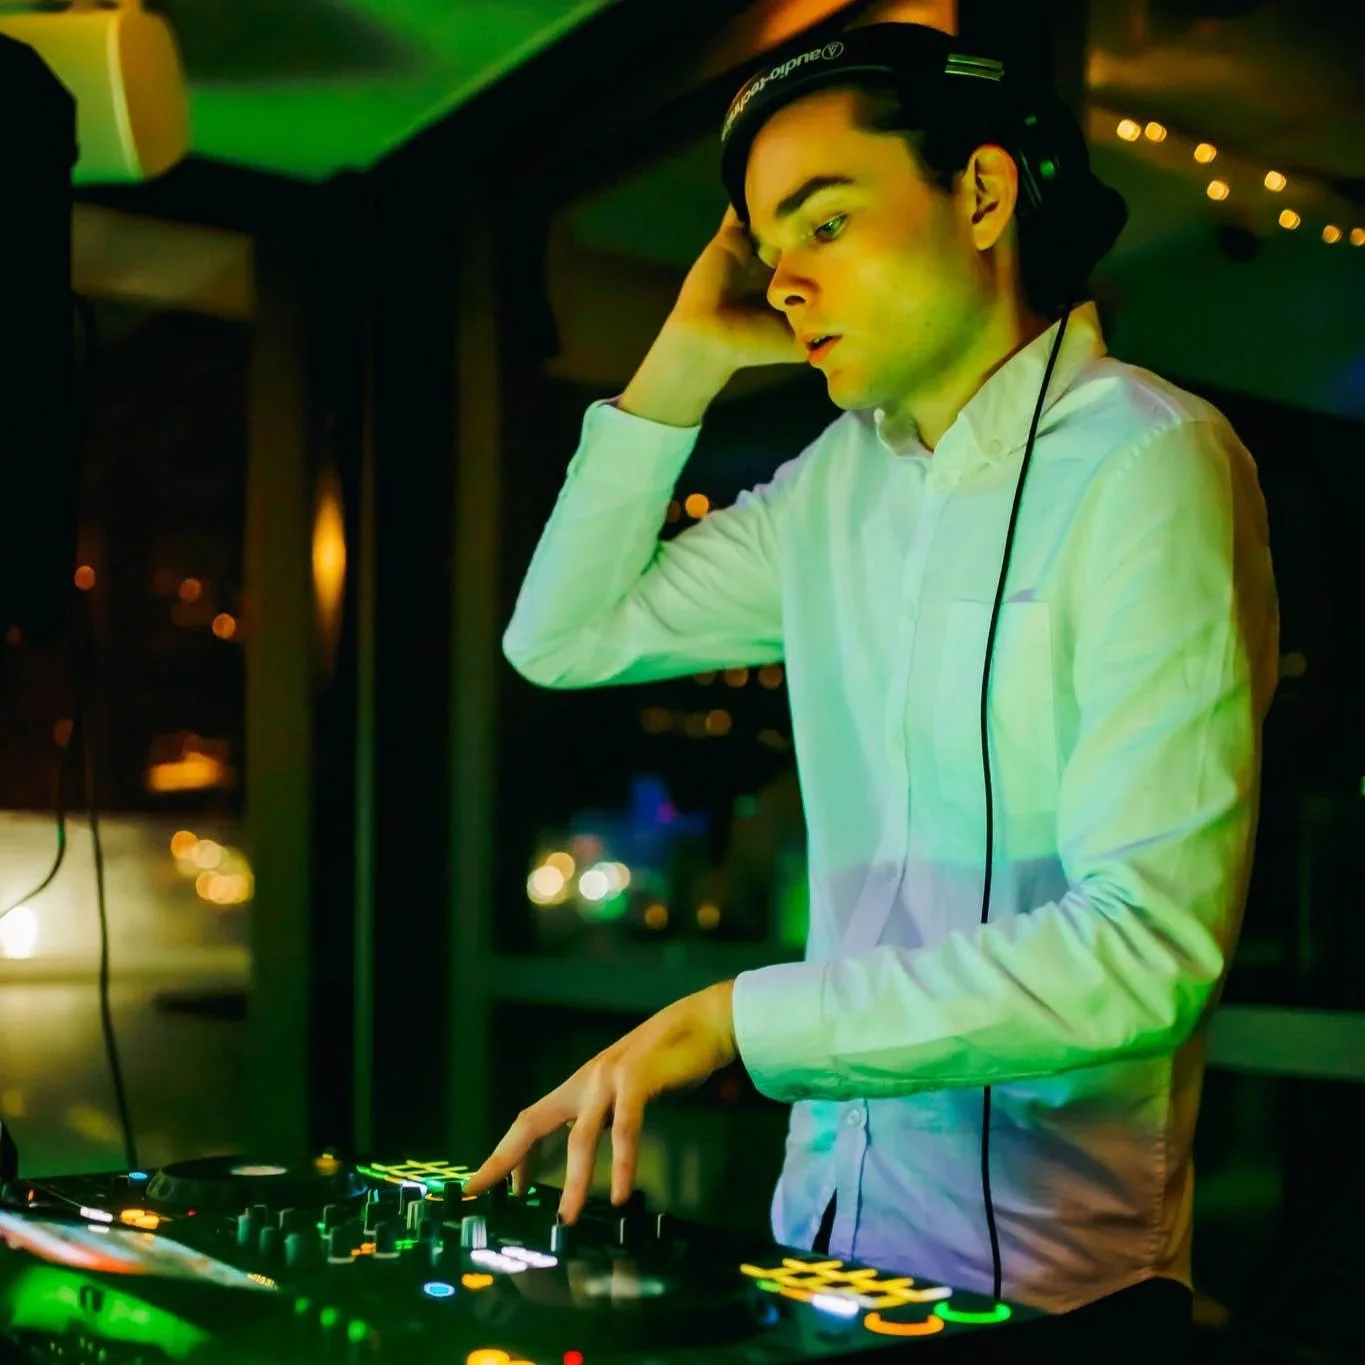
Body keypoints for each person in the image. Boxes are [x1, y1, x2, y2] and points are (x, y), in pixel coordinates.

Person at [464, 20, 1279, 1363]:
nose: (784, 281)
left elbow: (1141, 956)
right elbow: (562, 638)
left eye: (824, 222)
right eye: (766, 247)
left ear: (980, 196)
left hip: (1049, 1298)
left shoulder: (1152, 458)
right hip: (820, 1246)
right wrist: (681, 362)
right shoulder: (837, 486)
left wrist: (735, 1019)